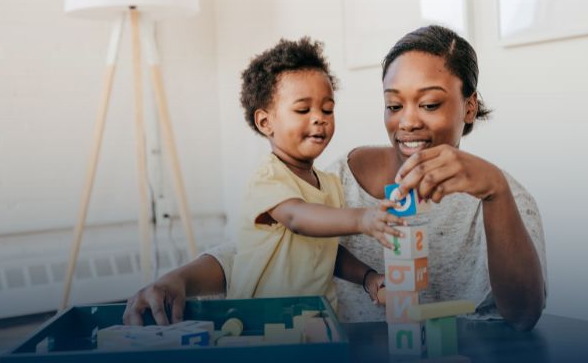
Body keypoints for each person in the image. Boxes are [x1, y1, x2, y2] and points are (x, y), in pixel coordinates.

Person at [123, 25, 546, 331]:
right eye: (394, 105)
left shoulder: (504, 197)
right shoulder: (335, 178)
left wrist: (495, 193)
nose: (408, 122)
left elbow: (524, 316)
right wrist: (176, 278)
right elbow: (257, 250)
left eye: (431, 104)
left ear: (469, 107)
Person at [228, 37, 405, 312]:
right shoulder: (268, 177)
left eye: (327, 109)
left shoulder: (330, 185)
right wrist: (362, 218)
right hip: (259, 320)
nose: (319, 118)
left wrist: (368, 277)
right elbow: (297, 218)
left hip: (316, 318)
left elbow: (325, 252)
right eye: (302, 109)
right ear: (265, 122)